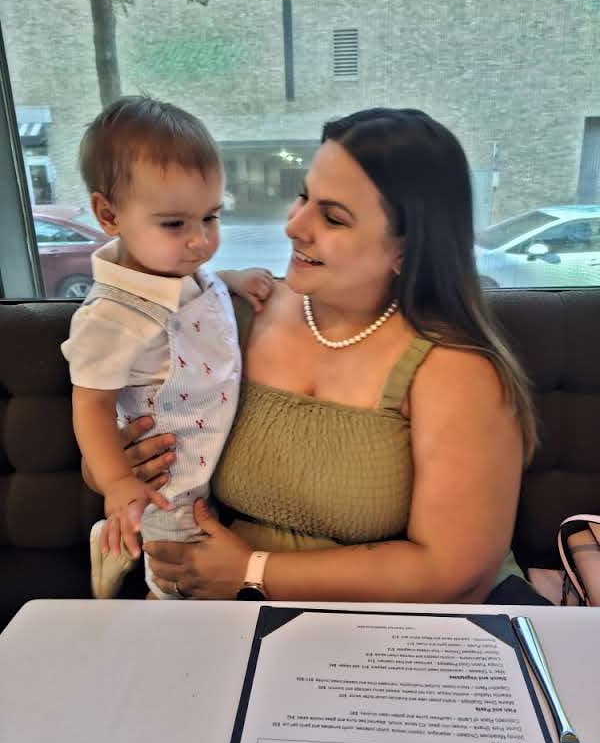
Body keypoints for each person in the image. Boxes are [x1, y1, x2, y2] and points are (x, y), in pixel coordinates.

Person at [86, 107, 548, 605]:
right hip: (229, 609)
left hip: (402, 623)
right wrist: (122, 466)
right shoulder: (233, 314)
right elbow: (116, 442)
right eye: (304, 196)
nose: (294, 225)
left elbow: (453, 571)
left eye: (333, 217)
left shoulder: (453, 367)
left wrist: (251, 572)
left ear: (406, 248)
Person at [62, 96, 272, 599]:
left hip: (207, 443)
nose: (200, 241)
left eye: (212, 217)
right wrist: (118, 483)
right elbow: (90, 403)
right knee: (180, 569)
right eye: (175, 224)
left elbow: (197, 292)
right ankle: (146, 591)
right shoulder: (110, 316)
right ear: (108, 214)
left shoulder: (178, 267)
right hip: (167, 468)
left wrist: (232, 279)